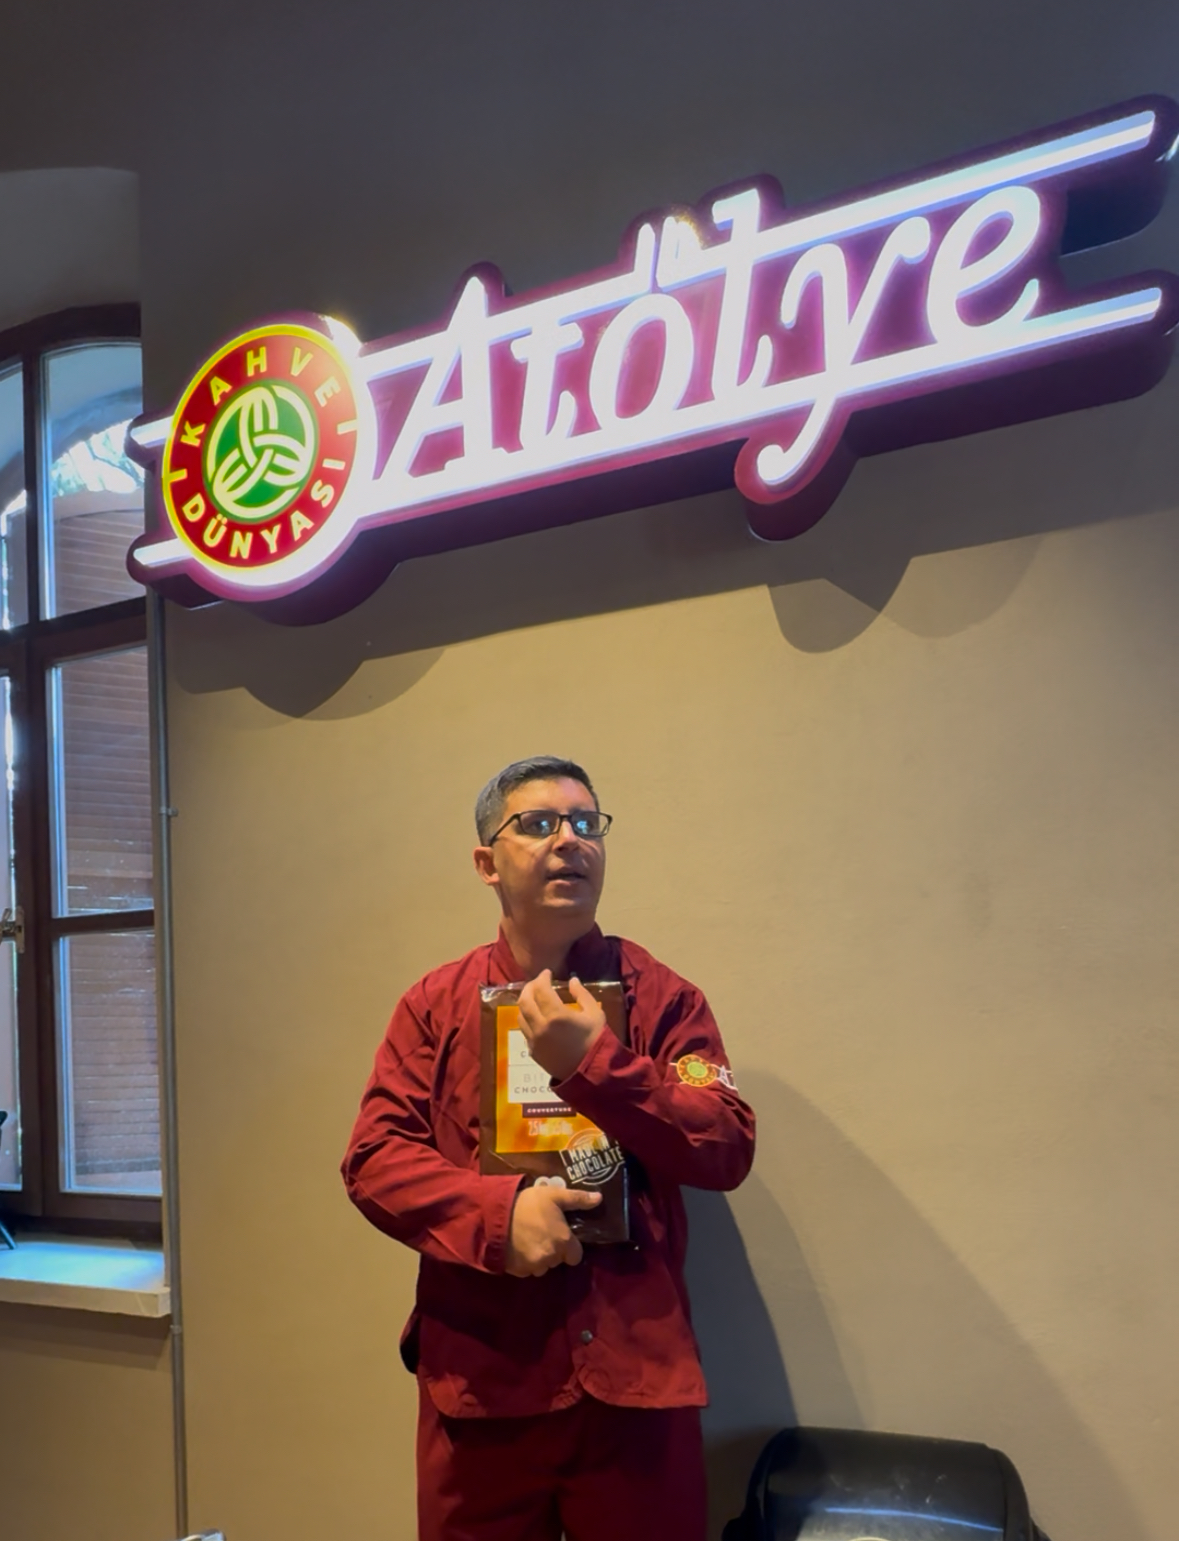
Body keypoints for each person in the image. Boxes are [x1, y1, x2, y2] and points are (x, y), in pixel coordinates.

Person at [343, 755, 755, 1541]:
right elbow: (374, 1158)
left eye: (585, 822)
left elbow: (725, 1142)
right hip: (483, 1383)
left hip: (637, 1383)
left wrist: (594, 1064)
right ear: (486, 863)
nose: (569, 840)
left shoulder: (664, 998)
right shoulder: (434, 1005)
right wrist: (501, 1217)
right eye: (537, 824)